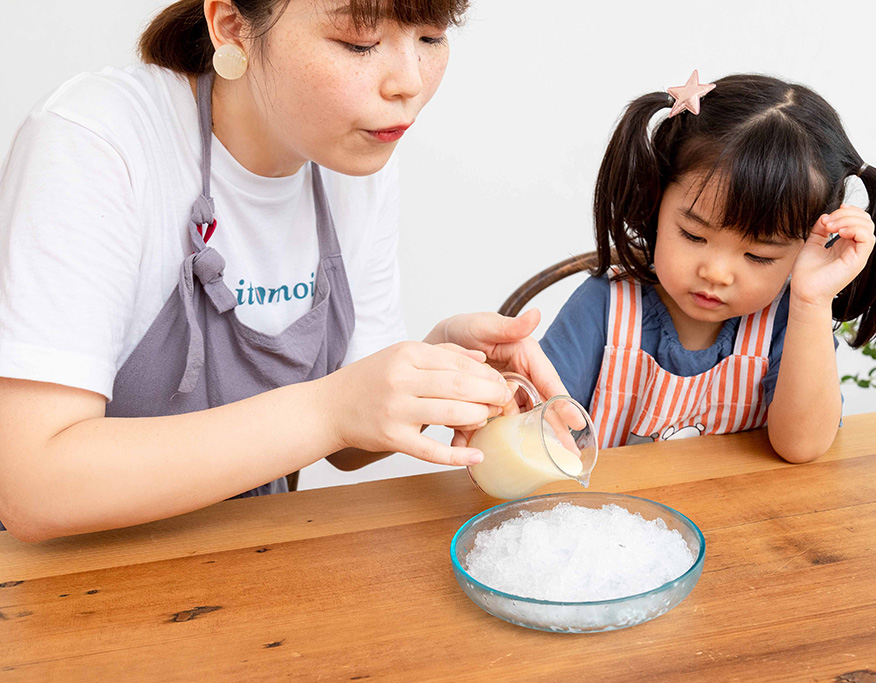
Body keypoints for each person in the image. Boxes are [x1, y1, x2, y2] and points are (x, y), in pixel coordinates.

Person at [0, 0, 565, 542]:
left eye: (431, 37)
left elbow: (347, 446)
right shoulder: (98, 140)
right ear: (232, 26)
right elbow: (32, 486)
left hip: (242, 561)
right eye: (359, 41)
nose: (409, 82)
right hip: (59, 585)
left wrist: (434, 369)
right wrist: (331, 408)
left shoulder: (353, 157)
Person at [540, 72, 876, 463]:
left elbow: (802, 447)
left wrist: (813, 301)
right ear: (656, 201)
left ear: (808, 246)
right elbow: (536, 426)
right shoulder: (603, 308)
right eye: (693, 235)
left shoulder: (791, 322)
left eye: (759, 256)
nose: (716, 273)